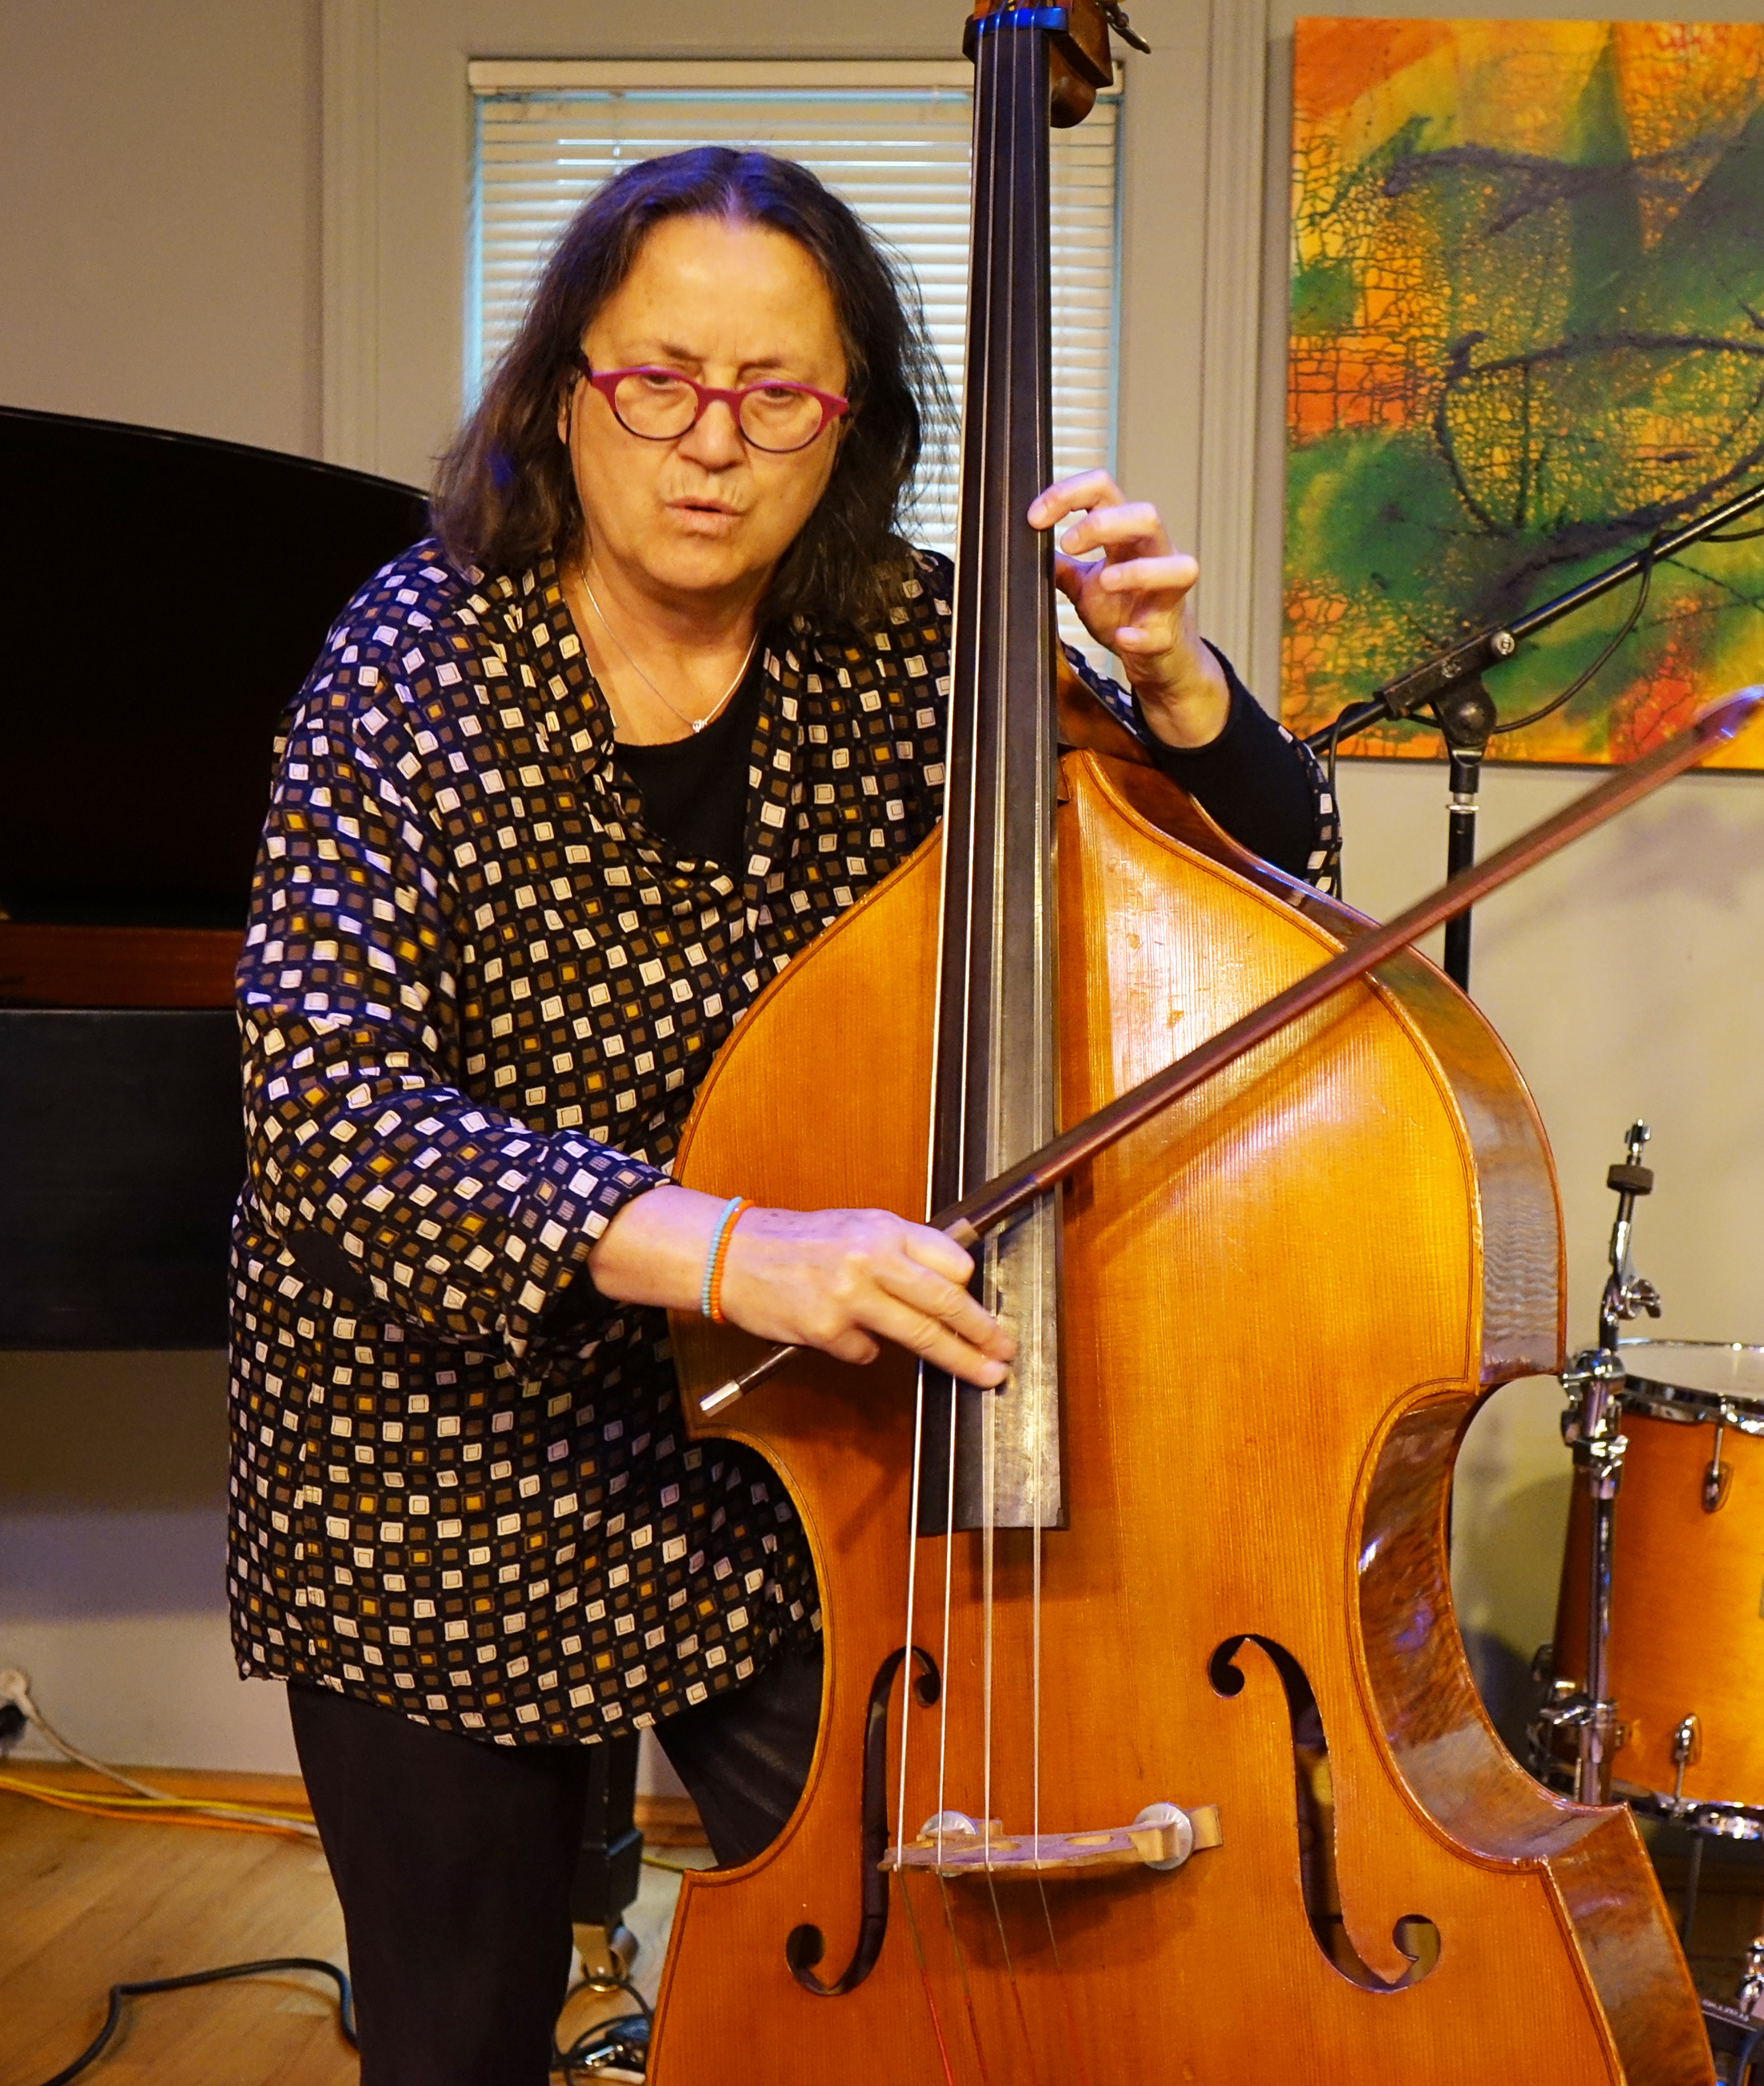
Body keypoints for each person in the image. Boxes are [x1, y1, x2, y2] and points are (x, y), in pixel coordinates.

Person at [227, 147, 1339, 2085]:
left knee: (905, 1974)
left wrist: (1167, 675)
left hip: (778, 1463)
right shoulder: (408, 664)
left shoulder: (906, 642)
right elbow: (325, 1108)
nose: (708, 444)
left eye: (776, 396)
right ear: (565, 389)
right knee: (455, 2031)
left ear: (852, 429)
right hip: (432, 1463)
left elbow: (1257, 870)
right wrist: (745, 1246)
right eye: (657, 378)